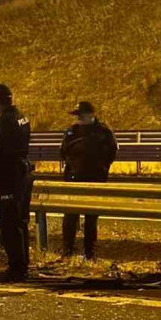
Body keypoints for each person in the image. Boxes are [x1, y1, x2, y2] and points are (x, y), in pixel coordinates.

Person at [0, 84, 33, 282]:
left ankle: (16, 268)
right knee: (21, 222)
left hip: (8, 178)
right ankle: (23, 265)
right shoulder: (22, 116)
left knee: (9, 224)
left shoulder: (5, 122)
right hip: (21, 175)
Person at [60, 101, 118, 260]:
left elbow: (111, 153)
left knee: (91, 218)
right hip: (74, 179)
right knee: (70, 217)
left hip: (95, 179)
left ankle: (89, 252)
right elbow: (63, 152)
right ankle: (68, 251)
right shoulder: (72, 132)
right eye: (77, 115)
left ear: (92, 115)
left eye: (81, 114)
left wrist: (100, 169)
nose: (78, 117)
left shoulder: (104, 132)